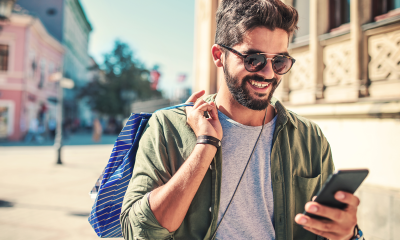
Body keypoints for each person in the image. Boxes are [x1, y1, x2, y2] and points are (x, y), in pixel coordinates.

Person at [121, 1, 361, 239]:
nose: (268, 73)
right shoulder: (168, 127)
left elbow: (326, 230)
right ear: (219, 55)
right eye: (253, 59)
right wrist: (205, 146)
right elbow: (139, 231)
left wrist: (348, 234)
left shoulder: (309, 137)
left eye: (279, 62)